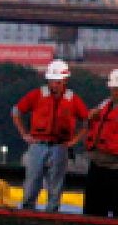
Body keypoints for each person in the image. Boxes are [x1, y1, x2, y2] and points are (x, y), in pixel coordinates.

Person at [12, 59, 88, 212]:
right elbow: (16, 111)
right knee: (32, 181)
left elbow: (86, 121)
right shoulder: (37, 95)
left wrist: (74, 141)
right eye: (52, 82)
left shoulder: (72, 99)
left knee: (55, 184)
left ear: (65, 81)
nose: (55, 85)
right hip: (38, 144)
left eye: (58, 82)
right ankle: (27, 211)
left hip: (60, 146)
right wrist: (24, 134)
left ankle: (52, 214)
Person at [83, 70, 118, 218]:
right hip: (97, 164)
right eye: (113, 88)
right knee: (93, 210)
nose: (114, 91)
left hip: (115, 167)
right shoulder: (105, 104)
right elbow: (91, 121)